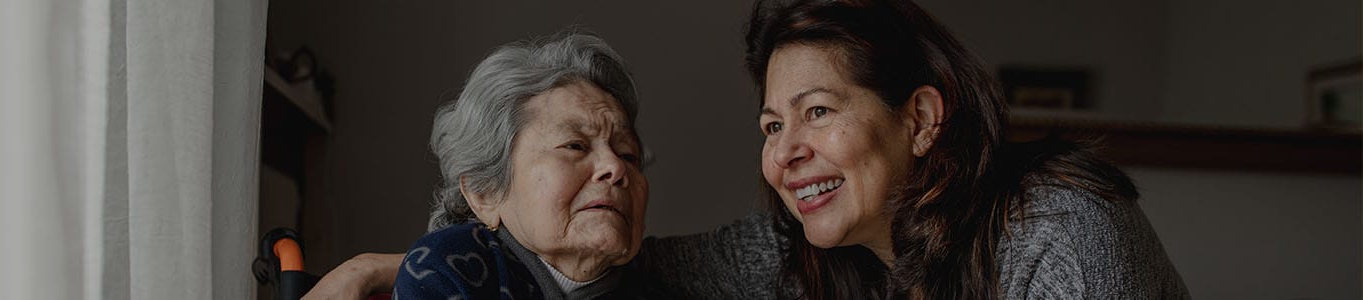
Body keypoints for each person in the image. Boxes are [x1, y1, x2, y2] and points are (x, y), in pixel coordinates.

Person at [306, 0, 1190, 298]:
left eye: (816, 112)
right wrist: (392, 265)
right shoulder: (804, 255)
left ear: (921, 119)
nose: (787, 150)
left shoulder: (1058, 228)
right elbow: (623, 266)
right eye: (773, 127)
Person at [389, 30, 652, 299]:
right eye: (575, 146)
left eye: (627, 155)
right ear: (485, 193)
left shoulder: (659, 284)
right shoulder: (445, 270)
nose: (615, 167)